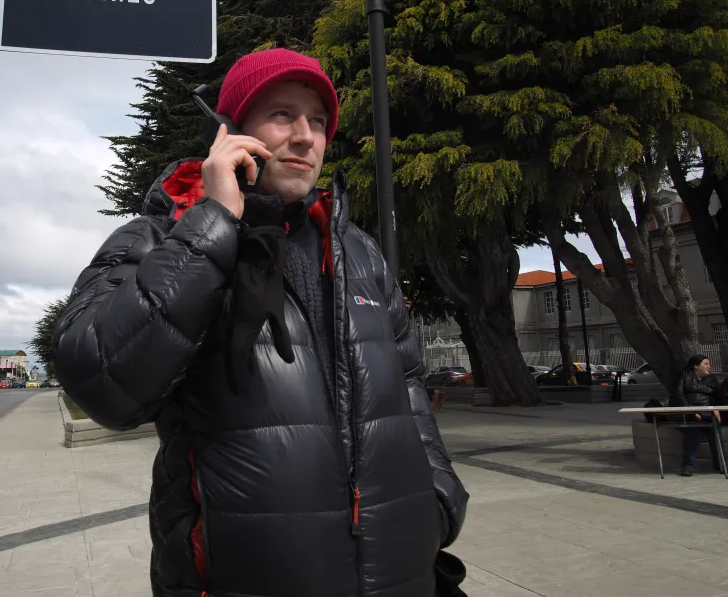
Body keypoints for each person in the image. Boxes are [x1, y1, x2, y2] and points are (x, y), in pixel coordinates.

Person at [54, 48, 468, 597]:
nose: (305, 136)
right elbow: (101, 381)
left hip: (399, 575)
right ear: (230, 131)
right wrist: (216, 223)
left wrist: (438, 494)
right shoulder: (160, 239)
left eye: (317, 121)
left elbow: (409, 386)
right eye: (282, 115)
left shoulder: (359, 253)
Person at [672, 355, 725, 477]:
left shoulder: (712, 380)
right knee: (692, 429)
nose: (709, 367)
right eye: (706, 364)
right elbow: (679, 395)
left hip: (706, 413)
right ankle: (688, 466)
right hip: (685, 413)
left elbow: (718, 398)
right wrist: (692, 412)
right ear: (696, 365)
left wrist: (716, 409)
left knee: (715, 428)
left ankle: (721, 464)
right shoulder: (684, 376)